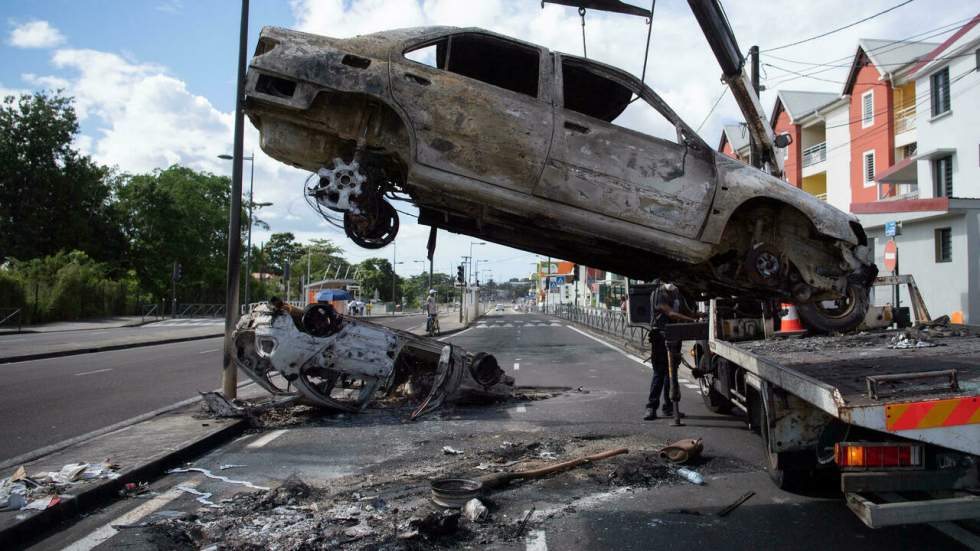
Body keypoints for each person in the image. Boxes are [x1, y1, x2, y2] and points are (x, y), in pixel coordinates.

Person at [645, 282, 703, 420]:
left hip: (675, 336)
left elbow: (684, 311)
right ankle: (651, 408)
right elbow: (670, 313)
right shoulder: (658, 294)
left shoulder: (677, 293)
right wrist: (691, 320)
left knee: (671, 374)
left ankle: (669, 408)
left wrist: (696, 315)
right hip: (660, 337)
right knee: (659, 373)